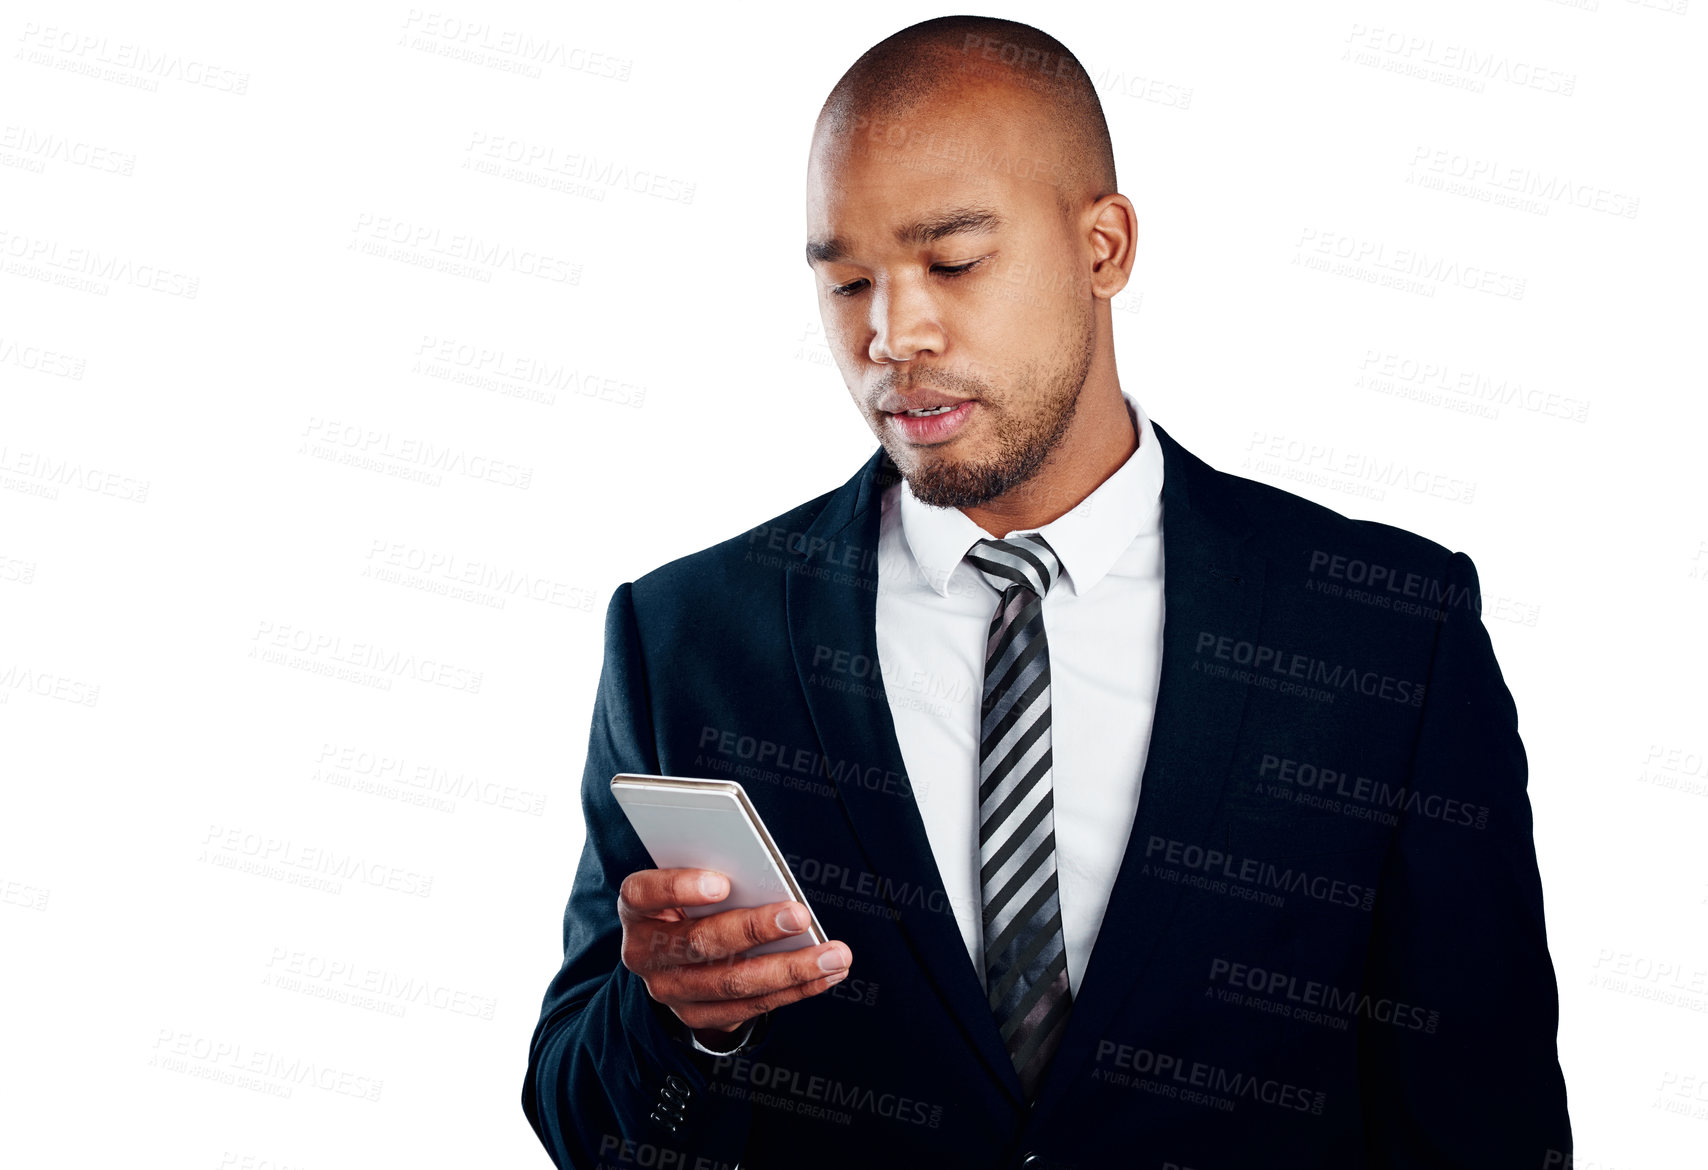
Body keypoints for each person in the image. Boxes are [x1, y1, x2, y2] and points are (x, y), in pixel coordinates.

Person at [521, 15, 1571, 1169]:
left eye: (954, 262)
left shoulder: (1385, 631)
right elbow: (582, 1122)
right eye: (848, 282)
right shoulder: (682, 640)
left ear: (1104, 248)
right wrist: (679, 1025)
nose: (891, 334)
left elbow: (1485, 1122)